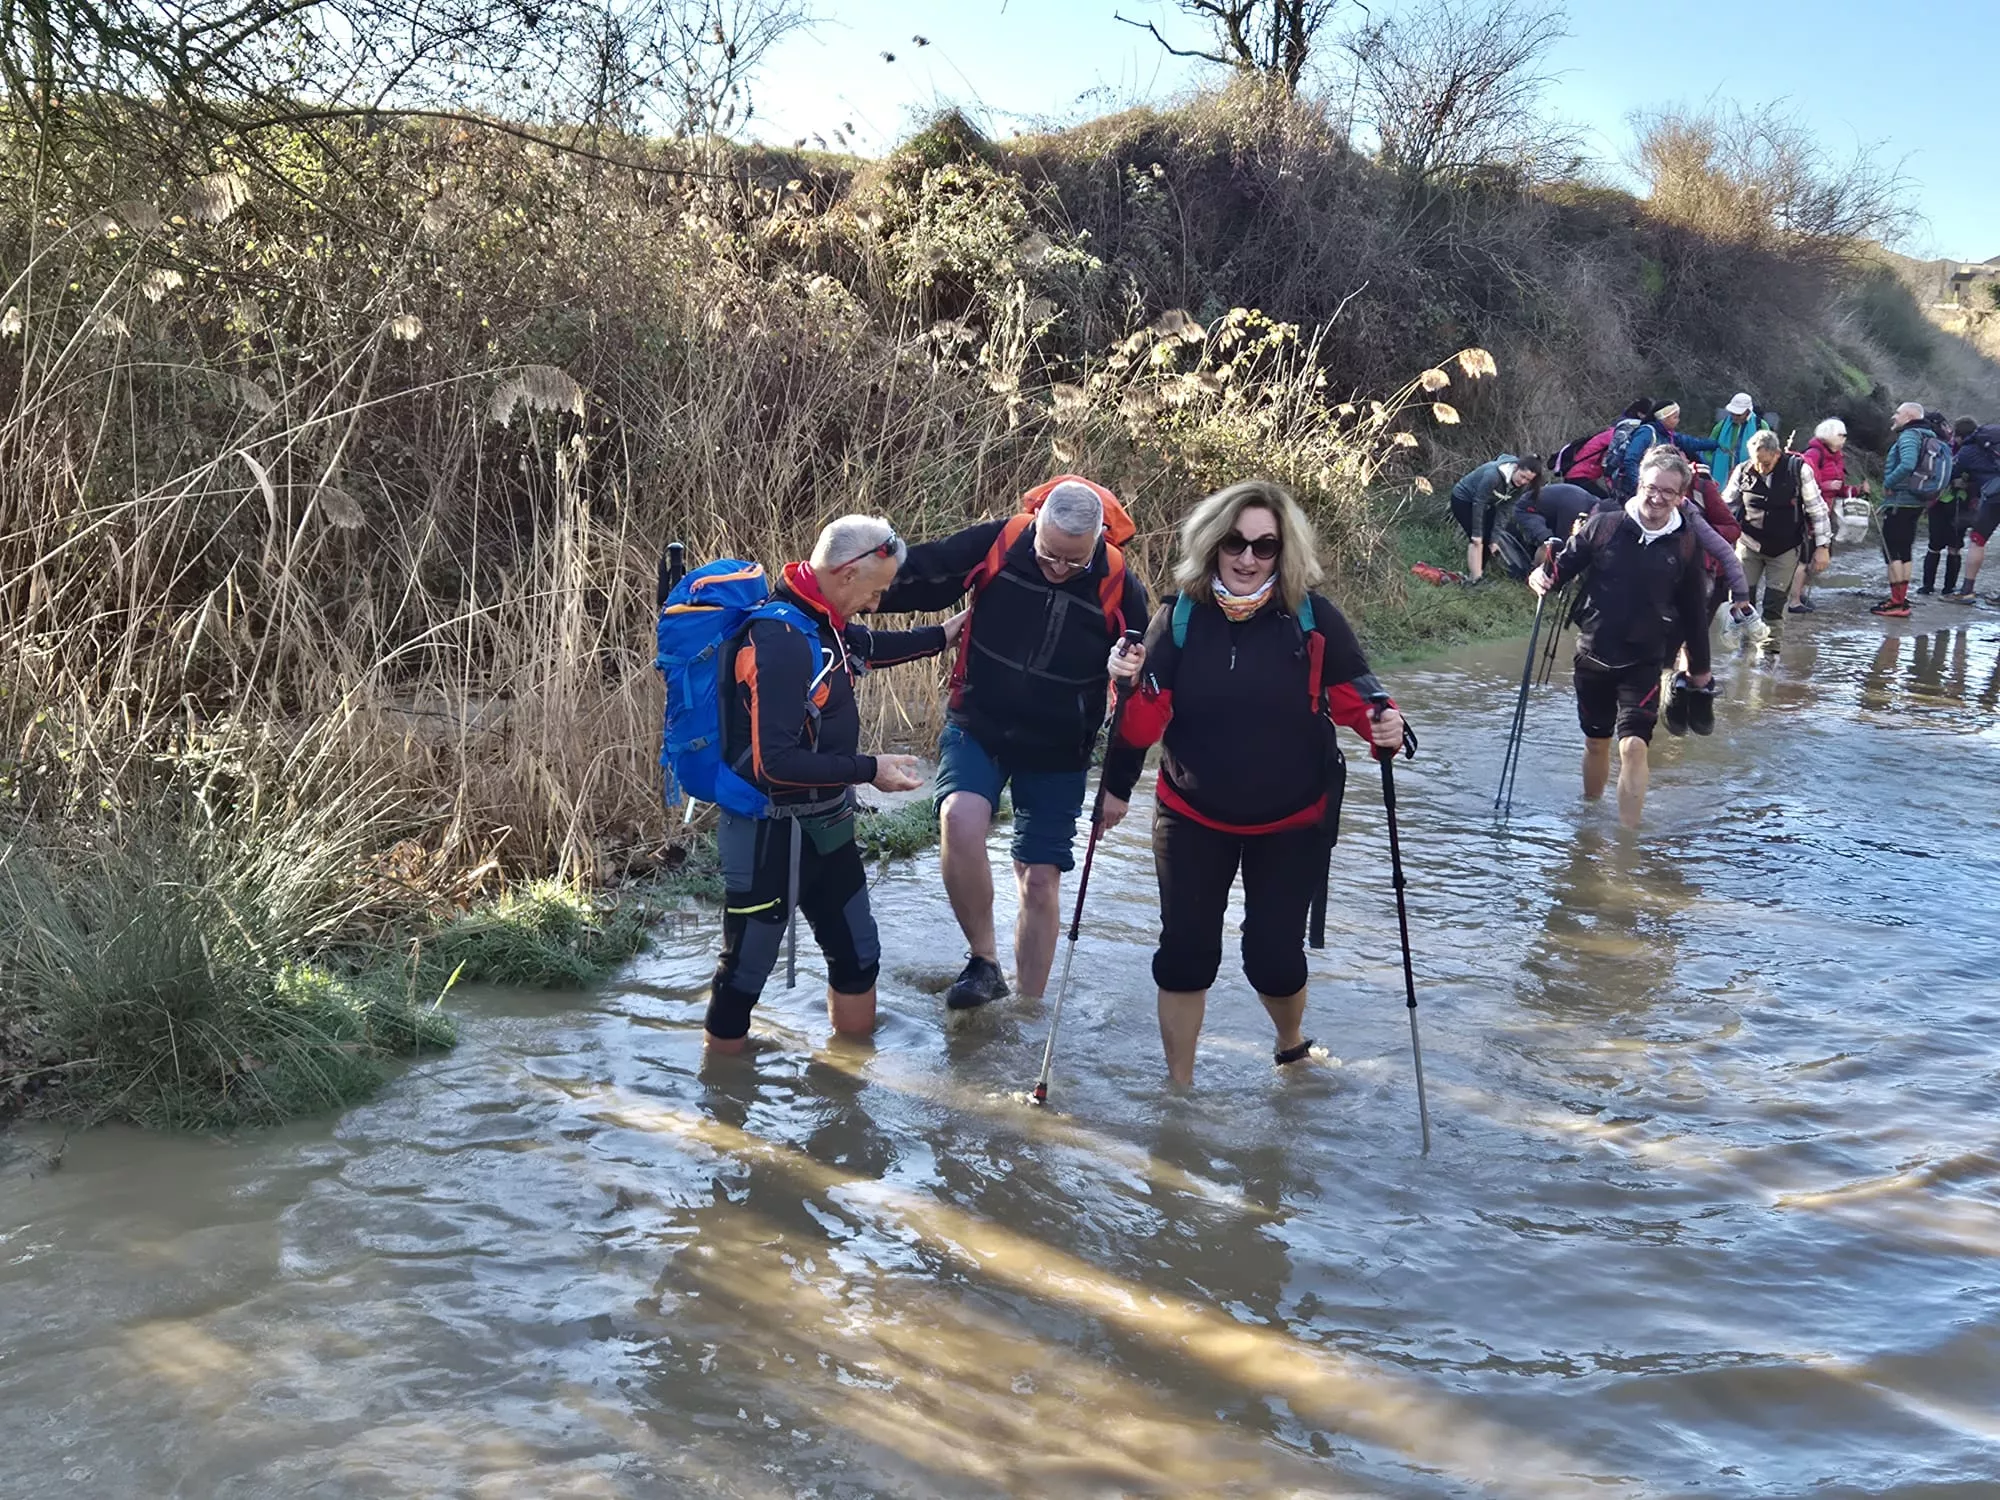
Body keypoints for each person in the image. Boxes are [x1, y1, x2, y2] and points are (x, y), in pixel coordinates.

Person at [1098, 479, 1405, 1086]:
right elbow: (1141, 724)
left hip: (1291, 821)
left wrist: (1386, 727)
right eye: (1234, 543)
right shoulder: (1179, 617)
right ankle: (1178, 1093)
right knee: (1186, 955)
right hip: (1190, 814)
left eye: (1264, 548)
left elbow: (1359, 698)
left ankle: (1290, 1044)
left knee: (1273, 960)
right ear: (1211, 545)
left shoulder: (1312, 617)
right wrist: (1117, 772)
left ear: (1282, 553)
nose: (1246, 558)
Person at [876, 476, 1150, 1011]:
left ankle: (1029, 1009)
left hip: (1059, 747)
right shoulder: (999, 542)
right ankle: (984, 962)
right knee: (958, 817)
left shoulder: (1120, 585)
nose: (1058, 569)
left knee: (1041, 879)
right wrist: (834, 591)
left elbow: (1145, 693)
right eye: (1050, 556)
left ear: (1098, 542)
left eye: (1074, 563)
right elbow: (914, 577)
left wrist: (1127, 685)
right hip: (978, 723)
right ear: (1037, 524)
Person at [705, 516, 963, 1053]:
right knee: (745, 973)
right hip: (765, 837)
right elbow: (774, 762)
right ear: (846, 574)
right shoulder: (778, 638)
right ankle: (722, 1112)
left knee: (858, 956)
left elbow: (865, 646)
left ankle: (852, 1082)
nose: (874, 604)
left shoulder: (821, 620)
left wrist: (944, 635)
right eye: (874, 592)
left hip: (828, 827)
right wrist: (870, 770)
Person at [1529, 446, 1718, 828]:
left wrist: (1701, 669)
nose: (1657, 497)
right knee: (1596, 743)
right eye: (1651, 487)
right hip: (1593, 653)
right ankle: (1590, 818)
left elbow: (1696, 612)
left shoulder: (1685, 543)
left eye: (1668, 491)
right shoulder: (1606, 525)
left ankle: (1627, 841)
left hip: (1645, 659)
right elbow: (1562, 568)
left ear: (1681, 497)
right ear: (1639, 484)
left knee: (1633, 747)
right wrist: (1541, 577)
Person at [1722, 429, 1830, 636]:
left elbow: (1817, 510)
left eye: (1766, 463)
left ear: (1777, 454)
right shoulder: (1742, 471)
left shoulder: (1798, 470)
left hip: (1784, 548)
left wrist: (1823, 547)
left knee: (1773, 608)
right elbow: (1725, 506)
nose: (1760, 468)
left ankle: (1769, 658)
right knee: (1740, 603)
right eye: (1756, 462)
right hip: (1748, 545)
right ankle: (1744, 653)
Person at [1874, 402, 1939, 618]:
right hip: (1916, 501)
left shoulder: (1910, 435)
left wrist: (1888, 484)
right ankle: (1901, 600)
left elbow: (1908, 464)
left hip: (1901, 501)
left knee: (1892, 551)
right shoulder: (1927, 436)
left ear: (1910, 416)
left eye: (1898, 413)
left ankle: (1896, 602)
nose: (1894, 417)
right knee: (1905, 550)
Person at [1790, 418, 1862, 614]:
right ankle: (1794, 600)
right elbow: (1805, 484)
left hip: (1825, 512)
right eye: (1841, 435)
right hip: (1809, 513)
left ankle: (1800, 593)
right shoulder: (1814, 454)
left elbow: (1838, 486)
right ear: (1829, 434)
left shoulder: (1836, 456)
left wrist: (1856, 491)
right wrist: (1827, 487)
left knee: (1815, 557)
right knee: (1805, 557)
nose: (1844, 439)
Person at [1449, 452, 1542, 582]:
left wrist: (1494, 539)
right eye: (1522, 476)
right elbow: (1479, 502)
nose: (1523, 481)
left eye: (1528, 480)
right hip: (1463, 499)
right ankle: (1474, 579)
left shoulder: (1520, 486)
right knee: (1476, 539)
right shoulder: (1493, 475)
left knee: (1489, 540)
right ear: (1515, 468)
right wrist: (1476, 533)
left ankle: (1477, 575)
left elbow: (1504, 511)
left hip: (1487, 503)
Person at [1614, 401, 1724, 498]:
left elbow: (1692, 443)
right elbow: (1630, 460)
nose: (1678, 420)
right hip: (1636, 489)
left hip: (1654, 487)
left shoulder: (1669, 435)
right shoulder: (1646, 433)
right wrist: (1639, 485)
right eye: (1675, 417)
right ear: (1663, 418)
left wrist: (1717, 444)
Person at [1947, 418, 2000, 603]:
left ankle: (1967, 590)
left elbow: (1952, 473)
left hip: (1995, 497)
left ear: (1959, 436)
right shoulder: (1993, 441)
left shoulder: (1967, 451)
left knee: (1978, 540)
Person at [1510, 480, 1599, 568]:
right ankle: (1536, 572)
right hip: (1527, 510)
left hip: (1548, 514)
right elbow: (1566, 542)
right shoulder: (1576, 508)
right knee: (1553, 544)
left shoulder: (1592, 503)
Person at [1708, 392, 1774, 478]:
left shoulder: (1761, 426)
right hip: (1721, 477)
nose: (1734, 417)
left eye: (1738, 415)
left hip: (1750, 476)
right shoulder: (1721, 426)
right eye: (1732, 413)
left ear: (1748, 412)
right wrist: (1714, 462)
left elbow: (1769, 452)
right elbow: (1708, 448)